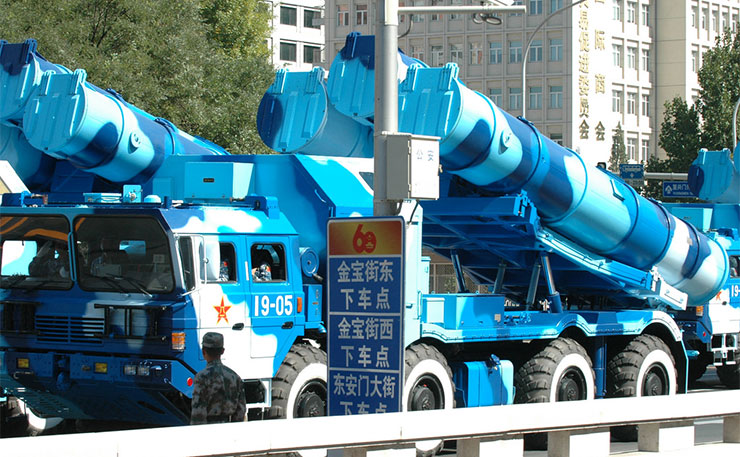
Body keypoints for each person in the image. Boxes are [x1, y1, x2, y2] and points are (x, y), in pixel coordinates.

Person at [190, 332, 246, 425]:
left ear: (203, 352)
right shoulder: (234, 377)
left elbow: (198, 412)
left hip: (208, 429)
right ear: (222, 351)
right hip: (228, 428)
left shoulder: (201, 377)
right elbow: (241, 410)